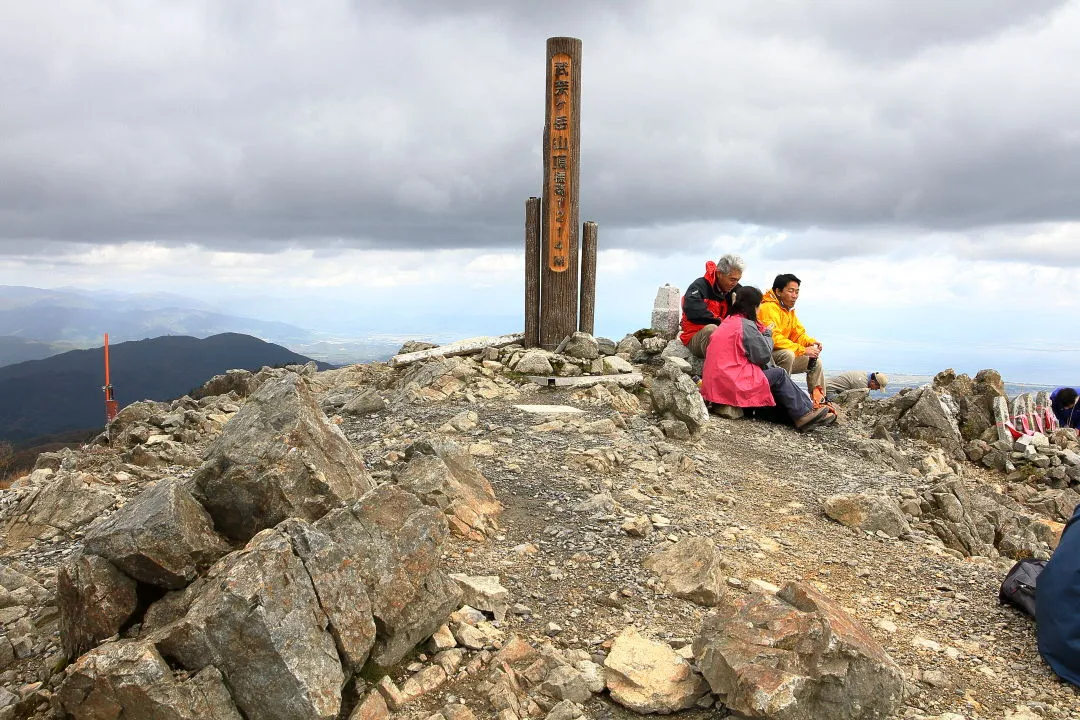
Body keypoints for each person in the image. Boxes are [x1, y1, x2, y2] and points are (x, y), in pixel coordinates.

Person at [700, 286, 834, 432]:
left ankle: (807, 413)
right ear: (754, 306)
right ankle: (804, 415)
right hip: (732, 382)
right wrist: (767, 334)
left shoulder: (728, 322)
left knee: (770, 377)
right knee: (779, 374)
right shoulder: (745, 325)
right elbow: (762, 356)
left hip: (715, 384)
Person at [758, 273, 825, 394]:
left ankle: (819, 401)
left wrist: (810, 342)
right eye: (791, 291)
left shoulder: (787, 311)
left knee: (815, 362)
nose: (795, 296)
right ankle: (782, 399)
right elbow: (774, 338)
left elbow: (798, 334)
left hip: (780, 354)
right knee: (788, 354)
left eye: (797, 292)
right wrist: (803, 350)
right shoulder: (767, 308)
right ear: (778, 291)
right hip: (766, 357)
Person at [680, 254, 744, 358]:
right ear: (719, 274)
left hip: (724, 333)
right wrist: (722, 323)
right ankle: (720, 369)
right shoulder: (699, 286)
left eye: (738, 280)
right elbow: (694, 311)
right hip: (695, 335)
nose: (735, 283)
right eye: (732, 279)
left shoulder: (734, 290)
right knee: (712, 330)